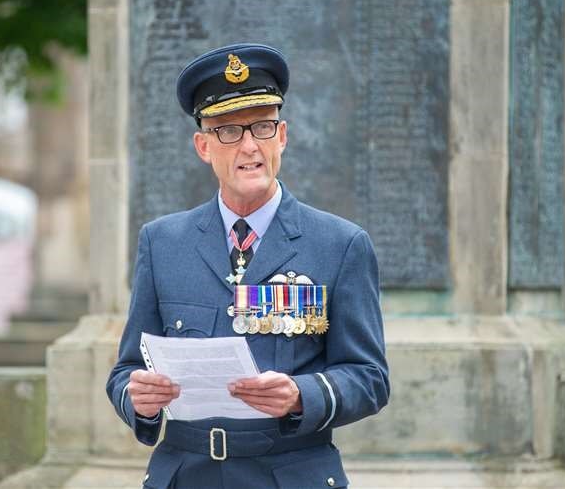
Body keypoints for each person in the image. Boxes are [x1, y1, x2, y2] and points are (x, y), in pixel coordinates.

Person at [107, 43, 389, 488]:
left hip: (289, 475)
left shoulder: (340, 244)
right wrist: (138, 398)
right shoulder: (162, 243)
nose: (249, 146)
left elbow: (369, 378)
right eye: (228, 131)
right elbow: (124, 372)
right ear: (203, 146)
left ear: (283, 136)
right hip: (186, 475)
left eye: (262, 126)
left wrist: (301, 395)